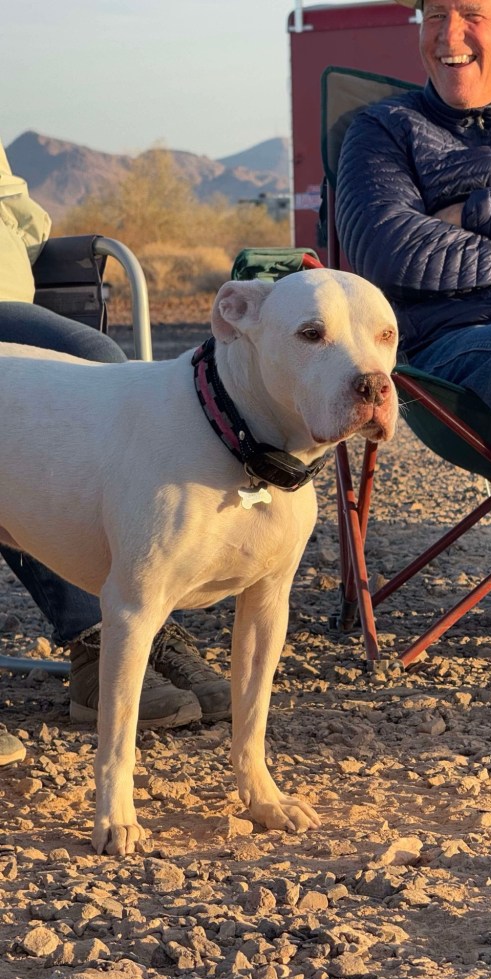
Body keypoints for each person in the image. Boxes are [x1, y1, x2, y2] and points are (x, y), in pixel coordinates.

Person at [0, 141, 230, 767]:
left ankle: (115, 632)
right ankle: (102, 637)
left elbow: (20, 214)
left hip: (8, 305)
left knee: (100, 363)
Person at [336, 0, 491, 561]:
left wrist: (473, 212)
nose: (450, 35)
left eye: (471, 13)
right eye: (436, 15)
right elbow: (390, 255)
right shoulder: (382, 131)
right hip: (456, 367)